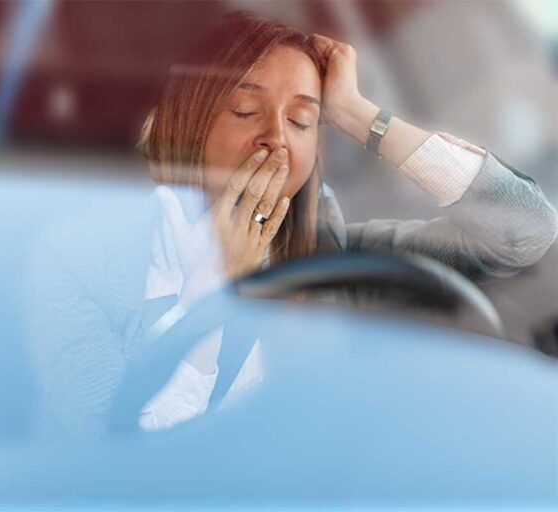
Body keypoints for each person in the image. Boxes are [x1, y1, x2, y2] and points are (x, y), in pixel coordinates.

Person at [28, 11, 558, 437]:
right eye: (244, 111)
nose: (276, 140)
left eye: (303, 120)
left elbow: (523, 229)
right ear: (184, 123)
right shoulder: (79, 262)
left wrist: (357, 115)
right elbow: (120, 456)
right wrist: (210, 293)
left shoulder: (325, 257)